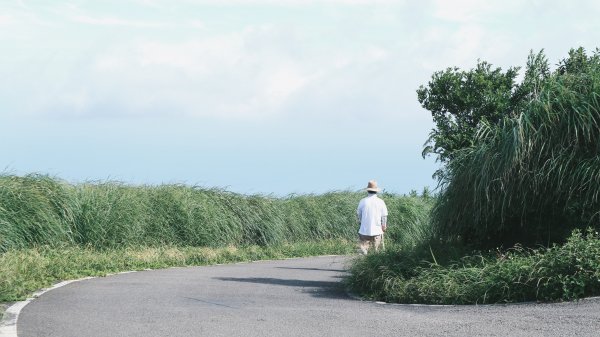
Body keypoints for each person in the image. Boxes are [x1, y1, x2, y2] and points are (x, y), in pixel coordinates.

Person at [356, 180, 388, 254]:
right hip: (377, 230)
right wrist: (384, 226)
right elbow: (384, 216)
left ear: (368, 191)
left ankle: (363, 265)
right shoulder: (381, 201)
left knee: (364, 253)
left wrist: (361, 222)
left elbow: (359, 214)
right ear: (376, 191)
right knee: (377, 253)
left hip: (364, 230)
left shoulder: (363, 201)